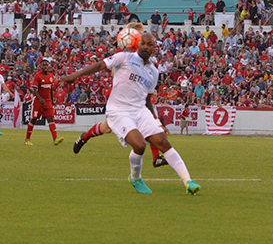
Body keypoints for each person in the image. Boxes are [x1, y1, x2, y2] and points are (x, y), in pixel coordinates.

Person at [62, 33, 201, 195]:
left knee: (162, 141)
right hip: (119, 111)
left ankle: (188, 181)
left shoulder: (153, 72)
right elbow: (100, 65)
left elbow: (148, 100)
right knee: (139, 144)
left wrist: (156, 121)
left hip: (140, 110)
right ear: (137, 44)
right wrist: (75, 75)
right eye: (143, 43)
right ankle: (135, 178)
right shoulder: (125, 57)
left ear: (154, 48)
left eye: (150, 45)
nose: (146, 47)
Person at [72, 22, 169, 169]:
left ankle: (156, 157)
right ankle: (84, 137)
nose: (139, 39)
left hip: (134, 99)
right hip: (121, 98)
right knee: (106, 128)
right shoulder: (124, 52)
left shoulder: (141, 55)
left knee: (147, 125)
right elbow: (113, 69)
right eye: (137, 35)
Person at [25, 59, 64, 146]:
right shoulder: (38, 76)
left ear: (49, 66)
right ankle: (27, 139)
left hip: (48, 101)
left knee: (51, 118)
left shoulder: (51, 76)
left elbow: (50, 89)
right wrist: (40, 98)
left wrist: (52, 99)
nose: (45, 67)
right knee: (34, 119)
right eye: (43, 65)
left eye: (47, 65)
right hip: (38, 102)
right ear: (40, 67)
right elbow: (33, 89)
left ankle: (55, 139)